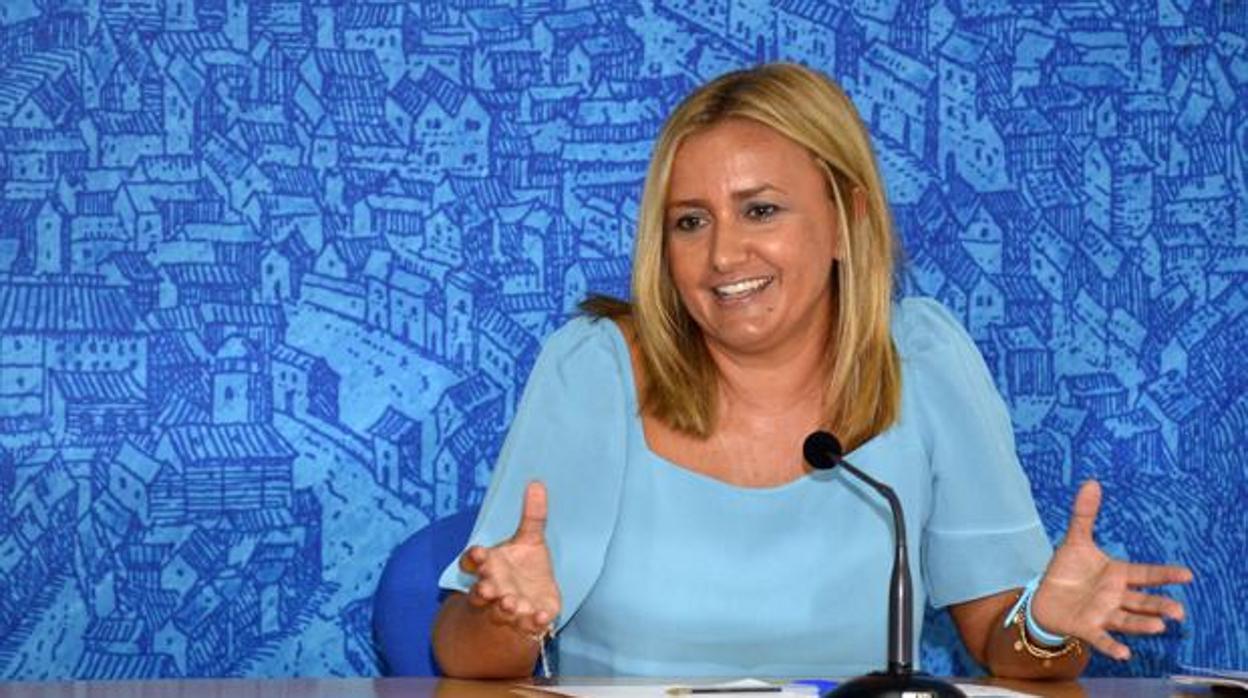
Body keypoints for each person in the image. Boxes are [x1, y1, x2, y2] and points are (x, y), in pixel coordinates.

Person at [430, 63, 1192, 680]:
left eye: (760, 210)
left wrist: (1047, 628)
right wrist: (504, 618)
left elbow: (1006, 642)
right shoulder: (595, 367)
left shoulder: (923, 361)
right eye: (690, 221)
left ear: (846, 222)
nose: (723, 254)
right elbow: (463, 659)